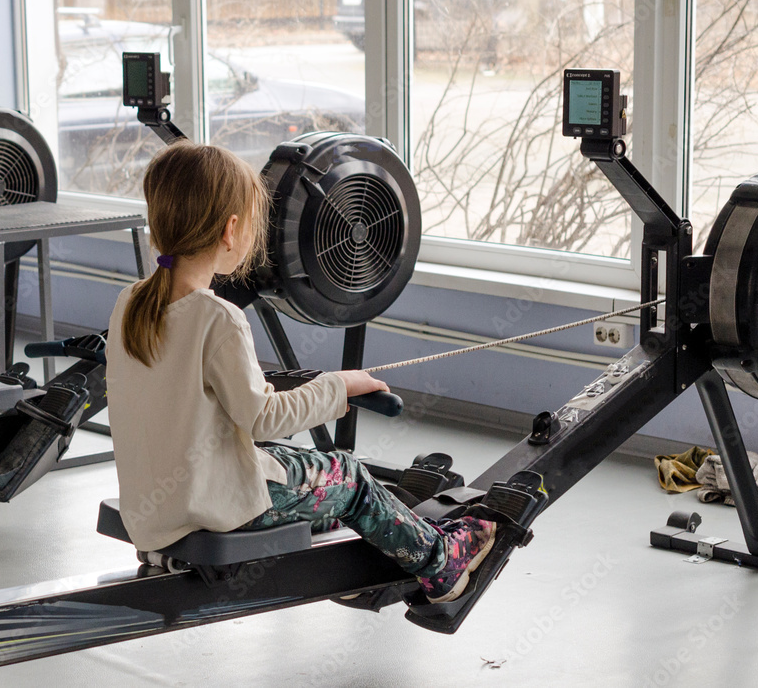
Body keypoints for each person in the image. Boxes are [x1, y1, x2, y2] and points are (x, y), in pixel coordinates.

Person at [106, 141, 495, 603]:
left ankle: (344, 534)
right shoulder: (218, 317)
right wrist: (339, 386)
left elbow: (199, 404)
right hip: (215, 508)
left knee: (284, 461)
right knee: (348, 477)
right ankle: (442, 564)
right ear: (231, 231)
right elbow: (263, 419)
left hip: (154, 511)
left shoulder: (130, 301)